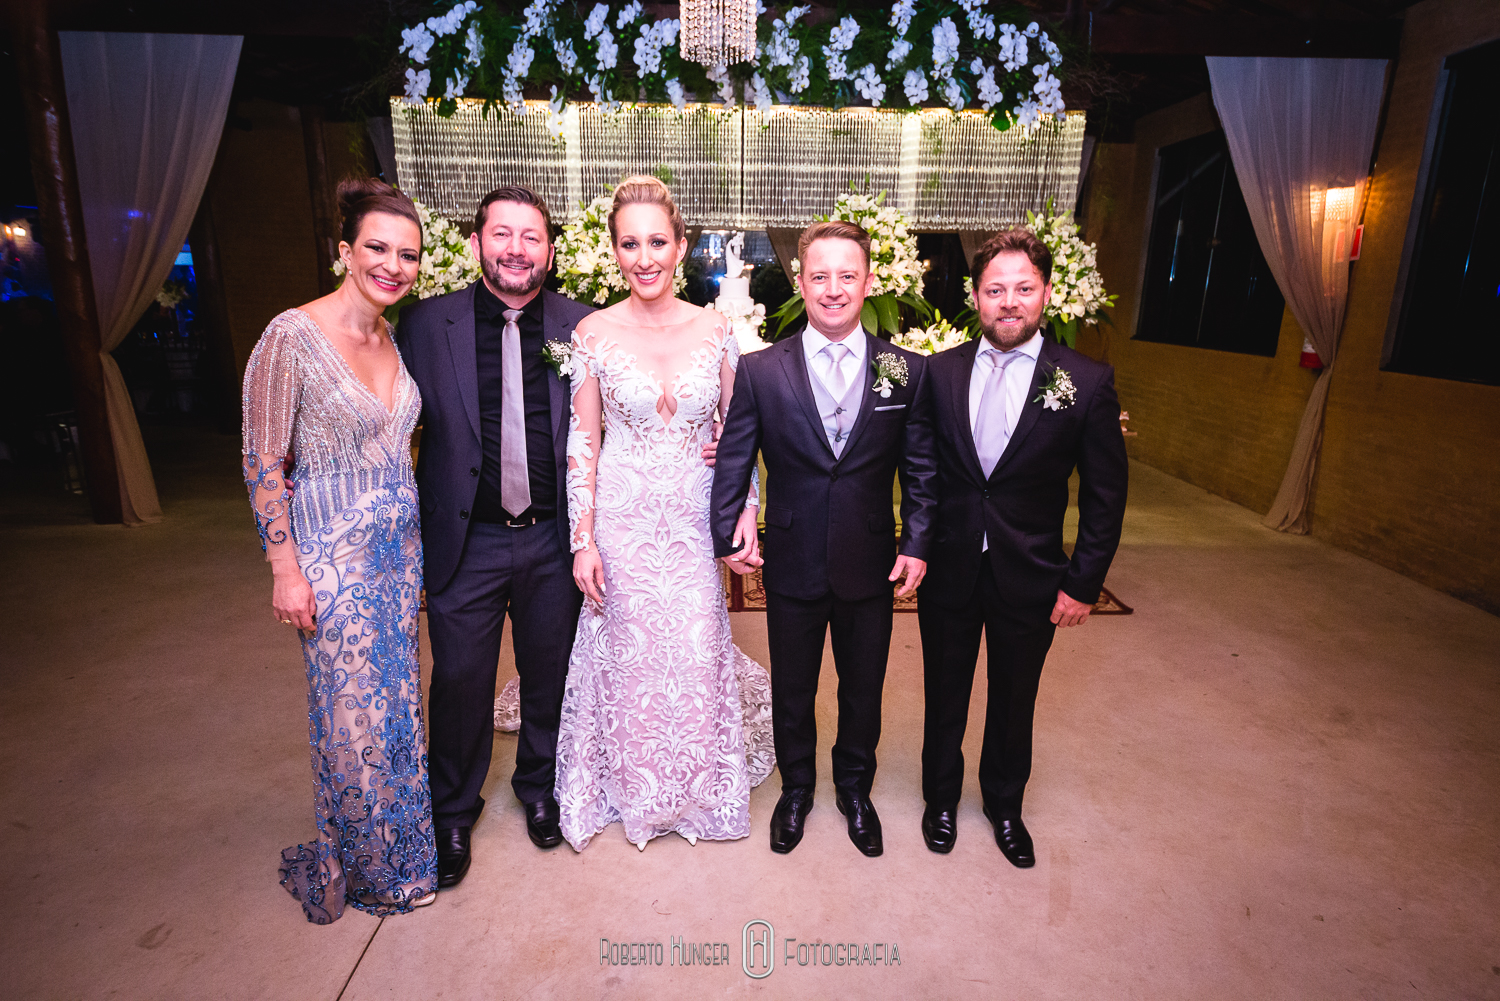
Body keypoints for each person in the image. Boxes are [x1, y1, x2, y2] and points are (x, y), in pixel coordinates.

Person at [555, 175, 774, 851]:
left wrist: (746, 507)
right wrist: (582, 539)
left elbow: (741, 429)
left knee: (694, 647)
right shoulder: (591, 331)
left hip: (691, 515)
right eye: (630, 243)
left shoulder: (718, 330)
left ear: (681, 246)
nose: (644, 256)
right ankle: (632, 787)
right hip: (622, 518)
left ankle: (700, 790)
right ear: (614, 251)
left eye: (657, 241)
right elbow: (583, 442)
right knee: (628, 652)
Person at [708, 220, 938, 857]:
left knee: (863, 686)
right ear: (800, 282)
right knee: (794, 685)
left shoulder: (905, 371)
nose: (833, 289)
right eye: (820, 276)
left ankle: (855, 791)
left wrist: (916, 540)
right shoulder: (761, 370)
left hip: (871, 560)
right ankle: (797, 789)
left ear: (867, 282)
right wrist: (727, 531)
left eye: (847, 276)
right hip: (792, 555)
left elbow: (920, 468)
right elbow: (735, 457)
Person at [242, 177, 436, 922]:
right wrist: (285, 569)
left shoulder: (392, 335)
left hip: (398, 553)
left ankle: (403, 850)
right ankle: (367, 867)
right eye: (378, 248)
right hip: (331, 555)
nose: (393, 265)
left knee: (395, 707)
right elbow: (263, 461)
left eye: (408, 254)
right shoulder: (291, 336)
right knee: (349, 714)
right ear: (345, 250)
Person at [396, 185, 593, 883]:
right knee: (458, 679)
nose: (516, 249)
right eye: (502, 234)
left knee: (551, 674)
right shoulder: (425, 326)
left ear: (550, 250)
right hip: (466, 537)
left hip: (553, 537)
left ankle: (537, 789)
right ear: (478, 243)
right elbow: (387, 421)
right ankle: (452, 809)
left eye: (531, 236)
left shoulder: (585, 326)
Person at [917, 229, 1128, 867]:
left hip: (1031, 573)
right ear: (975, 298)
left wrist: (1083, 582)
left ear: (1045, 294)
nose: (1009, 302)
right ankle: (941, 801)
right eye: (995, 289)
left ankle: (1005, 805)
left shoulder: (1085, 382)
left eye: (1023, 289)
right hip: (951, 566)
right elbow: (920, 466)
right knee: (944, 691)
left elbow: (1105, 496)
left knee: (1016, 697)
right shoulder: (939, 371)